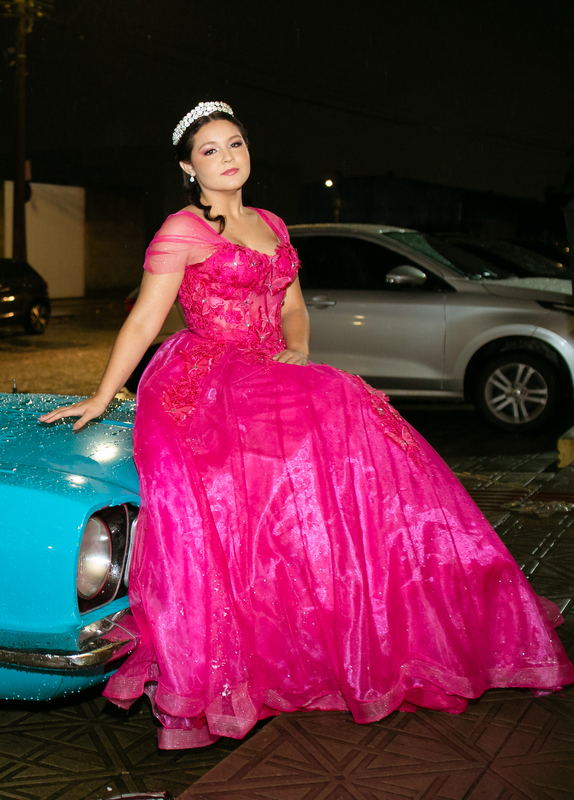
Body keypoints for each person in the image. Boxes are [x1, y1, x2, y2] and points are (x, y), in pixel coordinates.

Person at [39, 101, 573, 750]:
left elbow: (294, 305)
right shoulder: (182, 228)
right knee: (325, 427)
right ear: (188, 167)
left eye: (236, 143)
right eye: (211, 150)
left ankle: (387, 618)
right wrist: (102, 395)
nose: (228, 157)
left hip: (271, 373)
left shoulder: (271, 223)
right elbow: (146, 319)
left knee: (353, 440)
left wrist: (297, 348)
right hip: (205, 380)